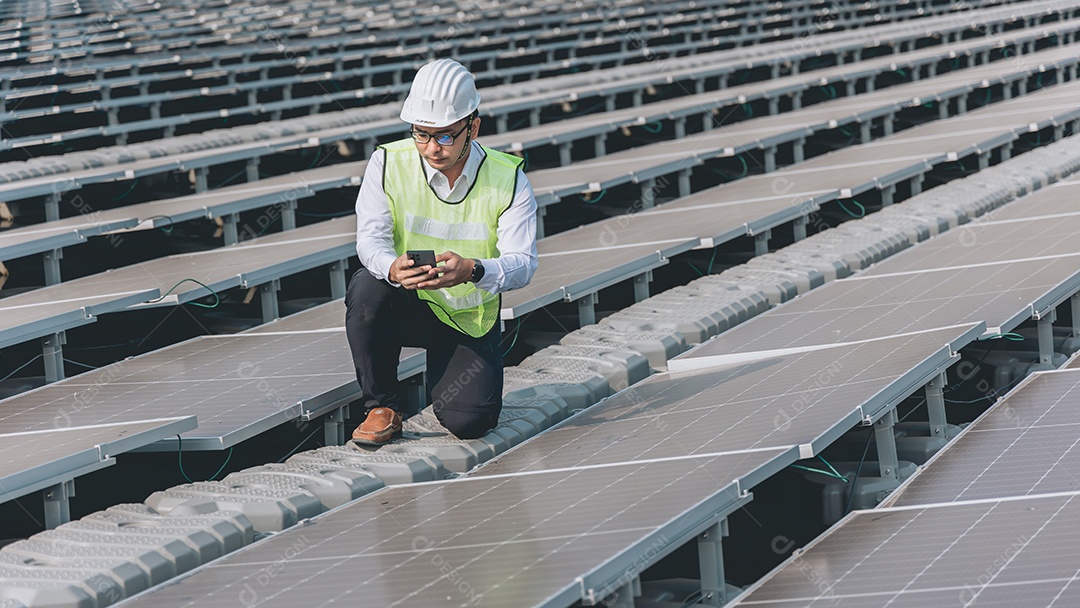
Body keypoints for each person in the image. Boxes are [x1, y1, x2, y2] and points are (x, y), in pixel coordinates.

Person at [346, 58, 538, 445]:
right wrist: (393, 268)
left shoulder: (508, 177)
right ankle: (381, 406)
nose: (432, 148)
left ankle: (453, 381)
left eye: (446, 135)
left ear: (474, 127)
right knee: (368, 286)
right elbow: (370, 241)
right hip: (408, 302)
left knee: (469, 423)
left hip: (465, 314)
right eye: (421, 134)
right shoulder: (388, 162)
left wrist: (473, 270)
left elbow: (524, 264)